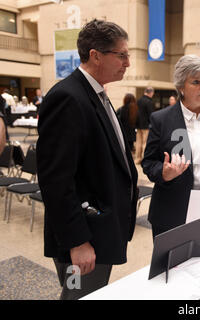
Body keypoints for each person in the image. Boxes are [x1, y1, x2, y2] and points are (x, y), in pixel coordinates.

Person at [36, 19, 138, 300]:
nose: (127, 62)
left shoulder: (96, 95)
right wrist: (77, 241)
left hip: (101, 229)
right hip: (83, 238)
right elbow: (55, 179)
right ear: (95, 55)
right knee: (77, 296)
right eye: (122, 55)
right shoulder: (68, 98)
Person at [142, 54, 200, 237]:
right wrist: (164, 172)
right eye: (196, 82)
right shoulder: (161, 119)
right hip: (172, 211)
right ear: (181, 87)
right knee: (172, 265)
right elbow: (148, 163)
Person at [136, 87, 155, 164]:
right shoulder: (149, 102)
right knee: (145, 143)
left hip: (138, 125)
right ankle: (144, 159)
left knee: (138, 142)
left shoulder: (138, 100)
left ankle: (137, 159)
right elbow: (151, 115)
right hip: (146, 125)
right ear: (151, 93)